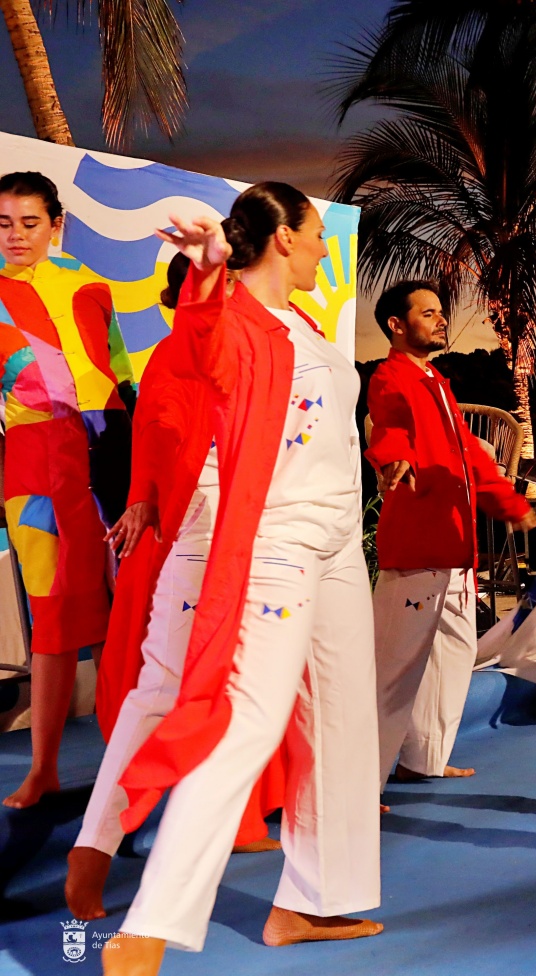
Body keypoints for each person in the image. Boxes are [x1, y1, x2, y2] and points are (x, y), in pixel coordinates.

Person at [102, 183, 381, 974]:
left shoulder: (308, 324)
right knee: (250, 719)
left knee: (341, 722)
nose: (325, 248)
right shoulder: (239, 321)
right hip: (278, 542)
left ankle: (311, 902)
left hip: (338, 546)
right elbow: (204, 345)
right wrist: (211, 268)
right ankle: (146, 927)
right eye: (316, 234)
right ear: (285, 238)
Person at [67, 255, 283, 922]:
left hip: (246, 538)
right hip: (202, 534)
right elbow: (158, 442)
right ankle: (104, 848)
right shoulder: (179, 357)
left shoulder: (254, 347)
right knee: (168, 690)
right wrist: (144, 504)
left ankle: (203, 828)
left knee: (222, 688)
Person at [365, 280, 536, 793]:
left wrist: (511, 506)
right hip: (417, 552)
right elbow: (388, 425)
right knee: (393, 672)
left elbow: (470, 457)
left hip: (454, 553)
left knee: (453, 656)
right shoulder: (390, 378)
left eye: (441, 312)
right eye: (428, 313)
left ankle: (423, 759)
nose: (441, 320)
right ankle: (361, 784)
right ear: (397, 326)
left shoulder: (436, 381)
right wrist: (395, 457)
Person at [0, 171, 133, 809]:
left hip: (108, 450)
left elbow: (118, 369)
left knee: (125, 608)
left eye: (29, 222)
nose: (16, 236)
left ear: (57, 223)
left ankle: (126, 765)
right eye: (3, 224)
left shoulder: (90, 284)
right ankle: (43, 768)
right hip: (32, 461)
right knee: (50, 614)